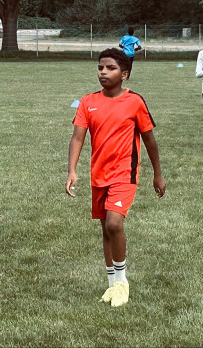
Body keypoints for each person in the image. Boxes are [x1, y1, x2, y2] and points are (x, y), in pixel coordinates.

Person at [66, 48, 166, 308]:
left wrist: (157, 173)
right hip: (99, 174)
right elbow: (77, 138)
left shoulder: (135, 102)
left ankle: (122, 282)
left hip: (125, 173)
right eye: (100, 67)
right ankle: (112, 285)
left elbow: (150, 140)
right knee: (105, 230)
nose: (102, 72)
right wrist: (72, 171)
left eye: (110, 68)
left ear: (124, 74)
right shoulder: (88, 101)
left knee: (114, 224)